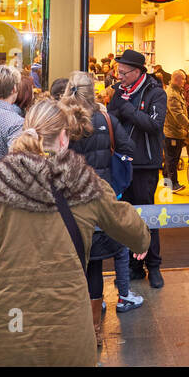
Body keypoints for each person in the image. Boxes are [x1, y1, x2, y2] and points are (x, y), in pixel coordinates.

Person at [0, 98, 151, 366]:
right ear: (64, 138)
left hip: (9, 329)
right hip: (69, 331)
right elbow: (135, 232)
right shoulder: (84, 182)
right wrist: (141, 240)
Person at [65, 72, 143, 338]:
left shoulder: (61, 120)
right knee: (95, 264)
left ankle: (73, 325)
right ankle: (95, 330)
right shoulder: (106, 119)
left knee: (73, 262)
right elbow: (128, 147)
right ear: (93, 92)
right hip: (99, 198)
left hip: (69, 201)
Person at [108, 49, 168, 288]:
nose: (119, 76)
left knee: (148, 216)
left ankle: (154, 266)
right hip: (122, 162)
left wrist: (127, 110)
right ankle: (133, 267)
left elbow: (154, 125)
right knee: (128, 217)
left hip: (146, 164)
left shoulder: (156, 93)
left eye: (123, 73)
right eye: (118, 72)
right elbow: (111, 119)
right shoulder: (118, 93)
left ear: (137, 72)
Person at [164, 70, 189, 193]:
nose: (185, 81)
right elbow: (178, 115)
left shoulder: (178, 92)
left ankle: (166, 183)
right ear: (176, 79)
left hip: (176, 131)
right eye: (183, 79)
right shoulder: (172, 94)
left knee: (170, 159)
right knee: (172, 160)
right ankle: (172, 184)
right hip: (172, 132)